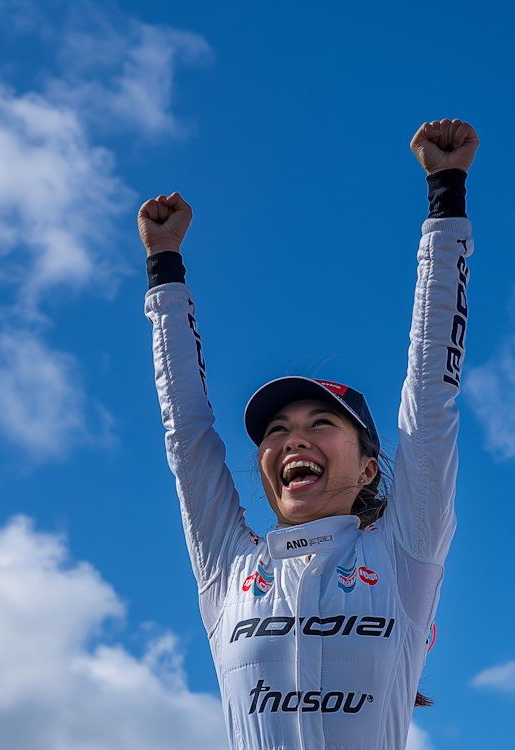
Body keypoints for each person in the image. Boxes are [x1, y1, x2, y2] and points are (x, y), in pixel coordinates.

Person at [138, 119, 479, 750]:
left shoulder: (402, 553)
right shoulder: (230, 568)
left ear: (369, 467)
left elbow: (431, 396)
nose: (294, 440)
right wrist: (164, 270)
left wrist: (446, 199)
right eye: (277, 430)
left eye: (322, 424)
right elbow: (186, 433)